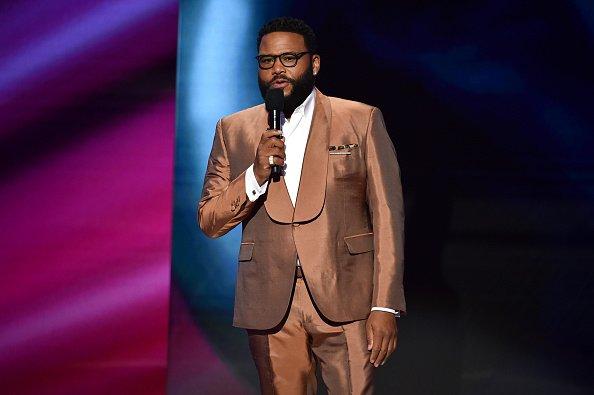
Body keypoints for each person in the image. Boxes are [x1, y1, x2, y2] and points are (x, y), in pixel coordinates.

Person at [198, 16, 405, 394]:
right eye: (266, 61)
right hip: (270, 302)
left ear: (314, 63)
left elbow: (388, 217)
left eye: (289, 58)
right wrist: (254, 176)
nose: (277, 69)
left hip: (346, 295)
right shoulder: (234, 129)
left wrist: (385, 305)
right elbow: (210, 220)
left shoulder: (359, 120)